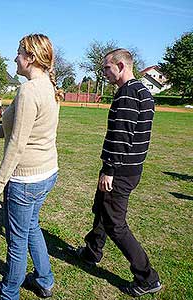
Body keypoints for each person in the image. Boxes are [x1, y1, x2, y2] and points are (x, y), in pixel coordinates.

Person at [70, 48, 162, 297]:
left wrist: (109, 170)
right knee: (101, 208)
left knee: (115, 223)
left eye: (106, 68)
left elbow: (121, 137)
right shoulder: (143, 92)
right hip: (131, 168)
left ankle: (147, 277)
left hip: (120, 170)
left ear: (121, 66)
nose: (104, 74)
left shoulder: (128, 94)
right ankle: (92, 251)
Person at [0, 33, 61, 300]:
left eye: (18, 52)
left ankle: (8, 293)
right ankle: (45, 280)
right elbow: (16, 128)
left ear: (31, 57)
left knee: (16, 240)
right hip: (47, 173)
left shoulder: (28, 90)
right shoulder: (46, 85)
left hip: (27, 180)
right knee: (31, 226)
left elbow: (17, 143)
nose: (14, 57)